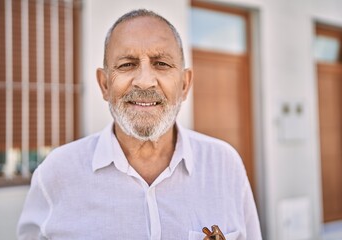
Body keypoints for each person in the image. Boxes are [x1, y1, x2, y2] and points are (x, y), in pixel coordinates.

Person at [17, 9, 262, 240]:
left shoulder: (225, 165)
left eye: (161, 64)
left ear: (185, 84)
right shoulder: (56, 173)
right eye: (127, 64)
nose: (145, 82)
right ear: (104, 84)